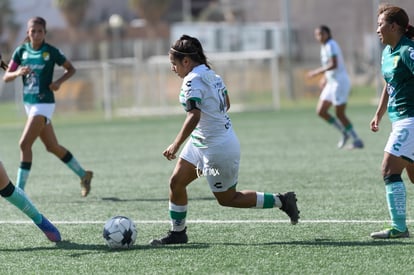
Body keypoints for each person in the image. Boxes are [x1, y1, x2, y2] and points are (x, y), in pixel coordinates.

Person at [150, 35, 300, 245]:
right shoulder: (213, 75)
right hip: (201, 143)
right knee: (176, 182)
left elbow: (194, 115)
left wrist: (175, 144)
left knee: (228, 199)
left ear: (186, 61)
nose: (172, 69)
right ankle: (178, 233)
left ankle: (282, 200)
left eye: (173, 64)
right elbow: (226, 104)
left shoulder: (192, 80)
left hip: (218, 151)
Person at [3, 17, 93, 197]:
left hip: (44, 104)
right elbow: (6, 76)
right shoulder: (21, 51)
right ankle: (84, 175)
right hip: (29, 104)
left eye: (40, 31)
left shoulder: (51, 52)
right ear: (28, 33)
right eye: (32, 31)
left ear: (45, 33)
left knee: (24, 144)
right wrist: (17, 72)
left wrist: (58, 82)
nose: (36, 34)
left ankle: (19, 190)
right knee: (52, 146)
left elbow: (71, 69)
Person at [369, 4, 414, 239]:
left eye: (380, 25)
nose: (377, 29)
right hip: (400, 120)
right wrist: (379, 113)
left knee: (389, 169)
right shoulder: (387, 52)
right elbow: (389, 84)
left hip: (411, 120)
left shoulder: (408, 51)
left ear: (394, 26)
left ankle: (399, 228)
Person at [308, 25, 363, 149]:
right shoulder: (324, 47)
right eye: (317, 34)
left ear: (328, 34)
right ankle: (344, 132)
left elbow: (334, 64)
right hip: (331, 83)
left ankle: (357, 139)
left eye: (321, 33)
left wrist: (317, 72)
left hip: (340, 83)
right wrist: (325, 78)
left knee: (340, 114)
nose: (319, 37)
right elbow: (330, 67)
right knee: (321, 111)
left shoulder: (331, 45)